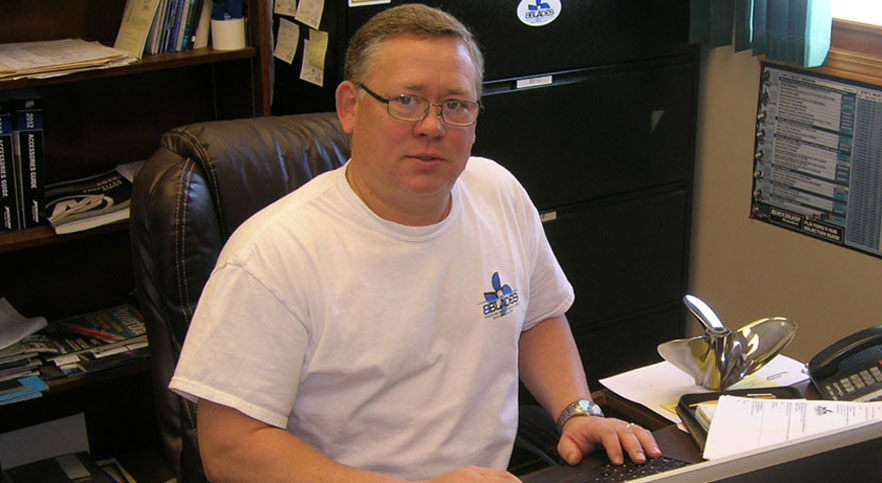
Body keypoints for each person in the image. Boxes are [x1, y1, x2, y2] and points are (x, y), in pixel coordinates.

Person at [169, 4, 662, 483]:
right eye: (406, 101)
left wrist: (577, 411)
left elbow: (538, 317)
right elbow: (229, 447)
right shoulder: (270, 256)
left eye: (456, 105)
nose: (432, 126)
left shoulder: (498, 192)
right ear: (350, 107)